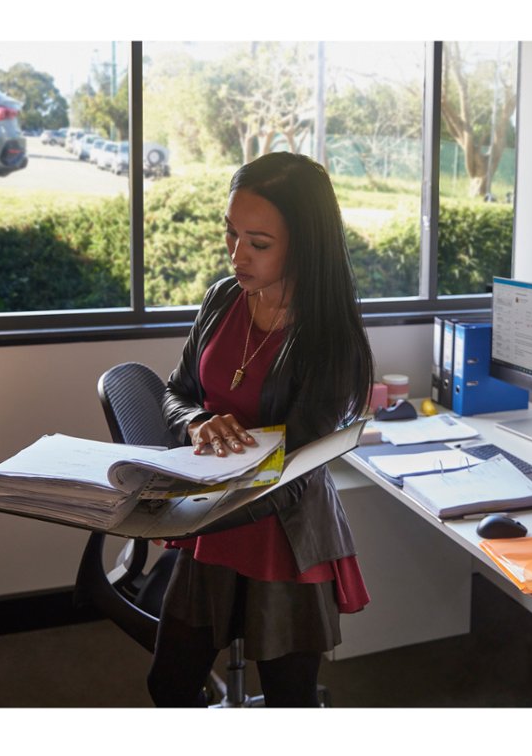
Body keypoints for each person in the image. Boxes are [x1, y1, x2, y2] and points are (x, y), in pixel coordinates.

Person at [149, 152, 374, 707]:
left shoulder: (330, 340)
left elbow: (293, 471)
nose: (236, 255)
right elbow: (174, 392)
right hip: (212, 521)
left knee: (287, 704)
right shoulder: (224, 299)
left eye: (258, 242)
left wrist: (191, 509)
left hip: (282, 530)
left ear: (304, 243)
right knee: (169, 685)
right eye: (230, 234)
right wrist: (199, 420)